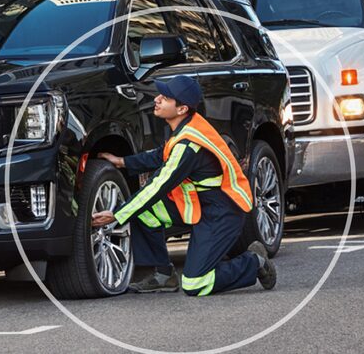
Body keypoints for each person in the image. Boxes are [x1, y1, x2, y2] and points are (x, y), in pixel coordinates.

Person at [92, 76, 277, 296]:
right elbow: (162, 153)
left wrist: (117, 215)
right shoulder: (186, 126)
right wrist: (123, 162)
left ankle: (253, 262)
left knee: (195, 283)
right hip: (201, 204)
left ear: (181, 109)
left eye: (166, 97)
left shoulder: (188, 146)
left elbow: (157, 186)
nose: (157, 99)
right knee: (142, 213)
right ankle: (163, 275)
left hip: (223, 212)